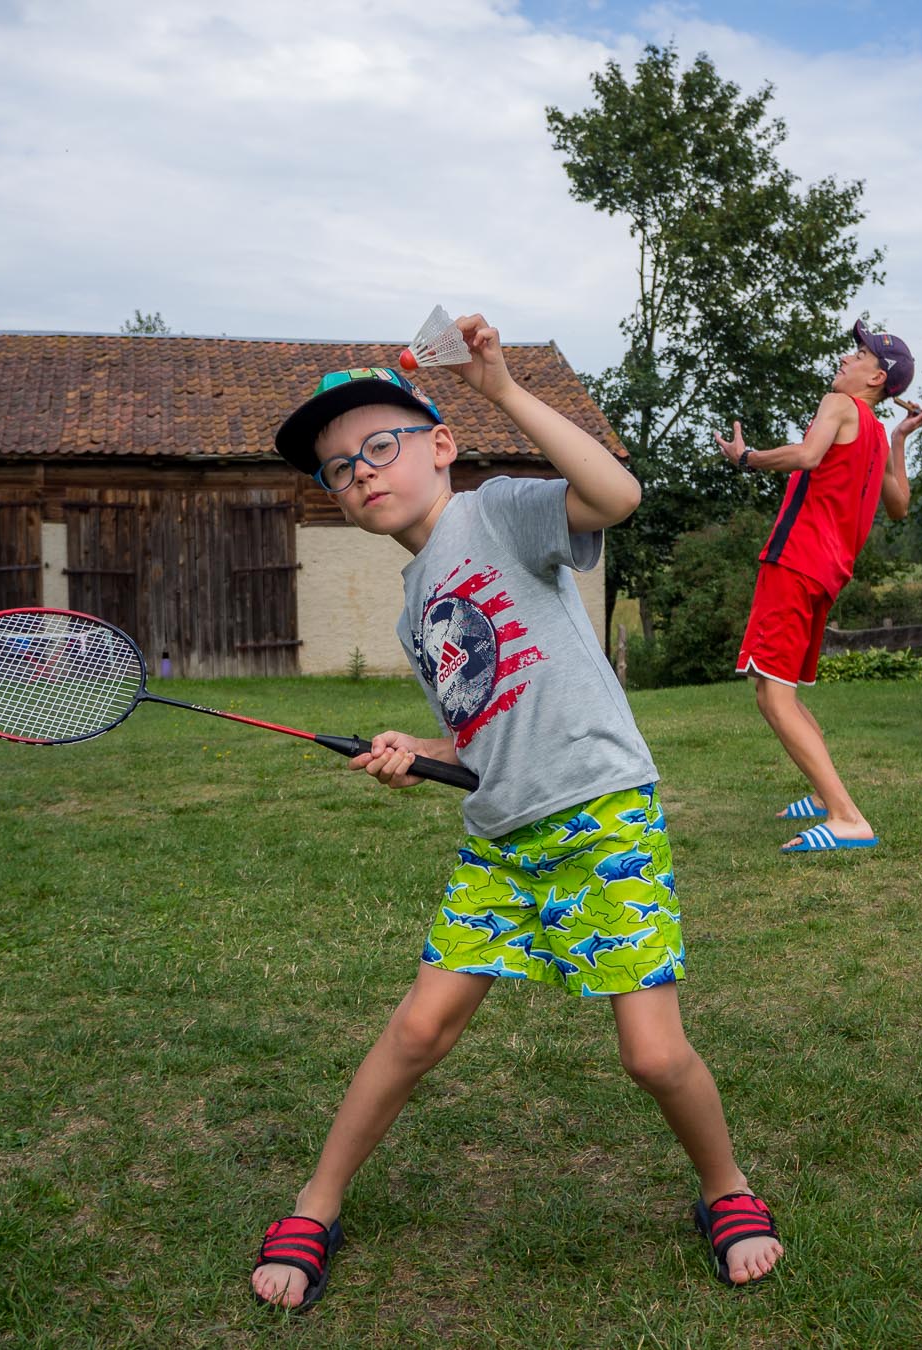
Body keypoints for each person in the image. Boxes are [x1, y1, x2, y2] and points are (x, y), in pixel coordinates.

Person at [250, 314, 783, 1310]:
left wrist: (500, 386)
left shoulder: (492, 517)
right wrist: (424, 758)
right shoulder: (418, 608)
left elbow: (616, 496)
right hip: (500, 840)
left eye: (379, 445)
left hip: (601, 819)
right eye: (335, 469)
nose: (359, 472)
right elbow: (489, 729)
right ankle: (316, 1205)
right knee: (417, 1033)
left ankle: (728, 1187)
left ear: (438, 446)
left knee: (654, 1053)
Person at [713, 320, 922, 853]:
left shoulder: (838, 406)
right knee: (772, 689)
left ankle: (847, 816)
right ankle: (821, 793)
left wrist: (747, 458)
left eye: (857, 355)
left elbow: (807, 456)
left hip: (796, 561)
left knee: (775, 698)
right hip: (826, 571)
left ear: (877, 376)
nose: (845, 359)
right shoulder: (876, 433)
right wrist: (899, 441)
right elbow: (899, 506)